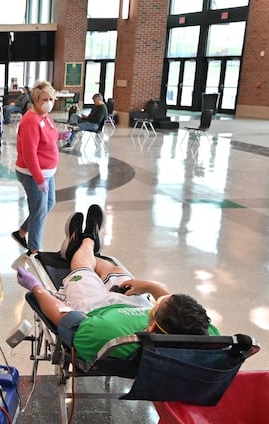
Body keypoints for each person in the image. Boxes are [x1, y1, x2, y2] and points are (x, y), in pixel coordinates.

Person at [16, 205, 219, 362]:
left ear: (151, 328)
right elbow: (179, 311)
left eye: (157, 306)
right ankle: (87, 243)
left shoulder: (109, 335)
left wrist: (36, 287)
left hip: (93, 305)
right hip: (132, 301)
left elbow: (62, 315)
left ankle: (85, 243)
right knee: (114, 270)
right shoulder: (204, 336)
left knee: (81, 267)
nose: (159, 299)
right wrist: (152, 287)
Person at [12, 81, 71, 255]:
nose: (49, 102)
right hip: (32, 173)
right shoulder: (31, 120)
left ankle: (22, 232)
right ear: (36, 100)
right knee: (39, 210)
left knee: (48, 204)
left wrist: (59, 135)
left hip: (47, 172)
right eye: (45, 99)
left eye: (51, 98)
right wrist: (38, 178)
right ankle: (34, 248)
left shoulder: (44, 116)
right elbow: (29, 153)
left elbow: (49, 134)